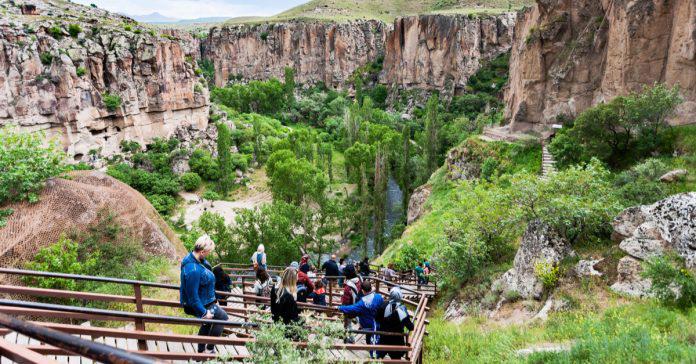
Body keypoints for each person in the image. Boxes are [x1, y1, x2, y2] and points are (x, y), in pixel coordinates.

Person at [180, 235, 229, 354]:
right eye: (208, 252)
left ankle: (201, 351)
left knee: (207, 323)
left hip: (206, 300)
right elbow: (192, 297)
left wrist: (213, 300)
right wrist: (203, 313)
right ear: (202, 252)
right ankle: (209, 348)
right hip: (202, 303)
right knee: (222, 317)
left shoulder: (196, 259)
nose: (209, 254)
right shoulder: (193, 270)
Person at [338, 281, 384, 358]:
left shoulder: (362, 303)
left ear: (362, 290)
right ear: (371, 288)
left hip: (368, 326)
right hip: (379, 324)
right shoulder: (379, 297)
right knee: (377, 340)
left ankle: (374, 357)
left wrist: (340, 307)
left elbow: (351, 308)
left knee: (369, 341)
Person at [376, 287, 414, 360]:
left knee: (378, 359)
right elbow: (410, 327)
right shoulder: (402, 309)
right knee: (396, 360)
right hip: (397, 341)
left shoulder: (383, 305)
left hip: (383, 338)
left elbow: (377, 319)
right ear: (400, 296)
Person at [341, 262, 362, 343]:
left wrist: (343, 307)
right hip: (358, 304)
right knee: (355, 318)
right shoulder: (359, 280)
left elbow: (345, 302)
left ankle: (351, 339)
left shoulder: (348, 287)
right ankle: (361, 325)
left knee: (348, 323)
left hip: (350, 306)